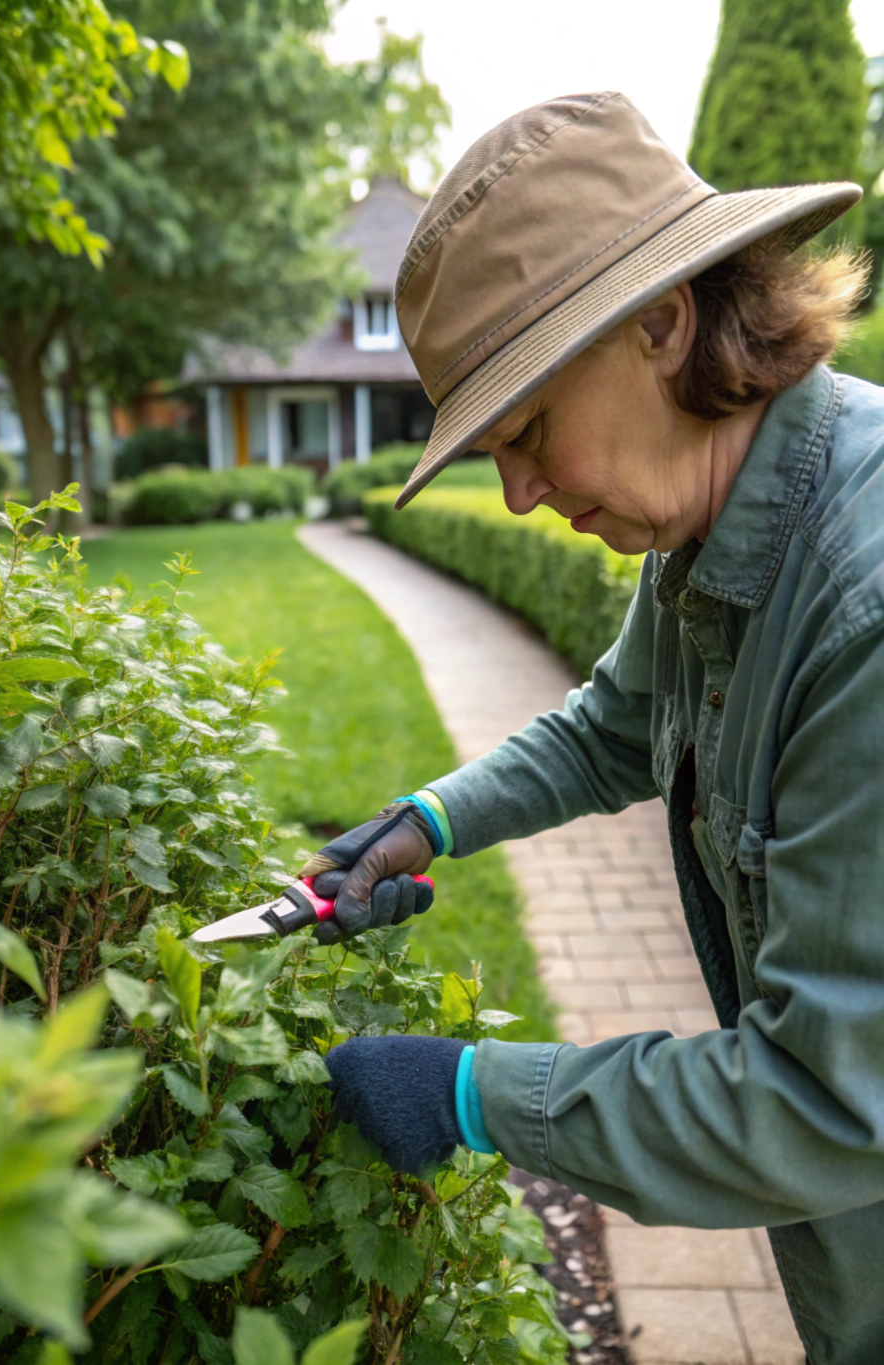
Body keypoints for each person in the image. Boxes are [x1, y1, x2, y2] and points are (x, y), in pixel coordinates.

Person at [309, 93, 884, 1365]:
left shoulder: (866, 610)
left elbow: (819, 1104)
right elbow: (615, 726)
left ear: (661, 324)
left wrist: (470, 1092)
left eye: (524, 432)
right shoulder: (715, 524)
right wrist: (426, 824)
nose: (515, 493)